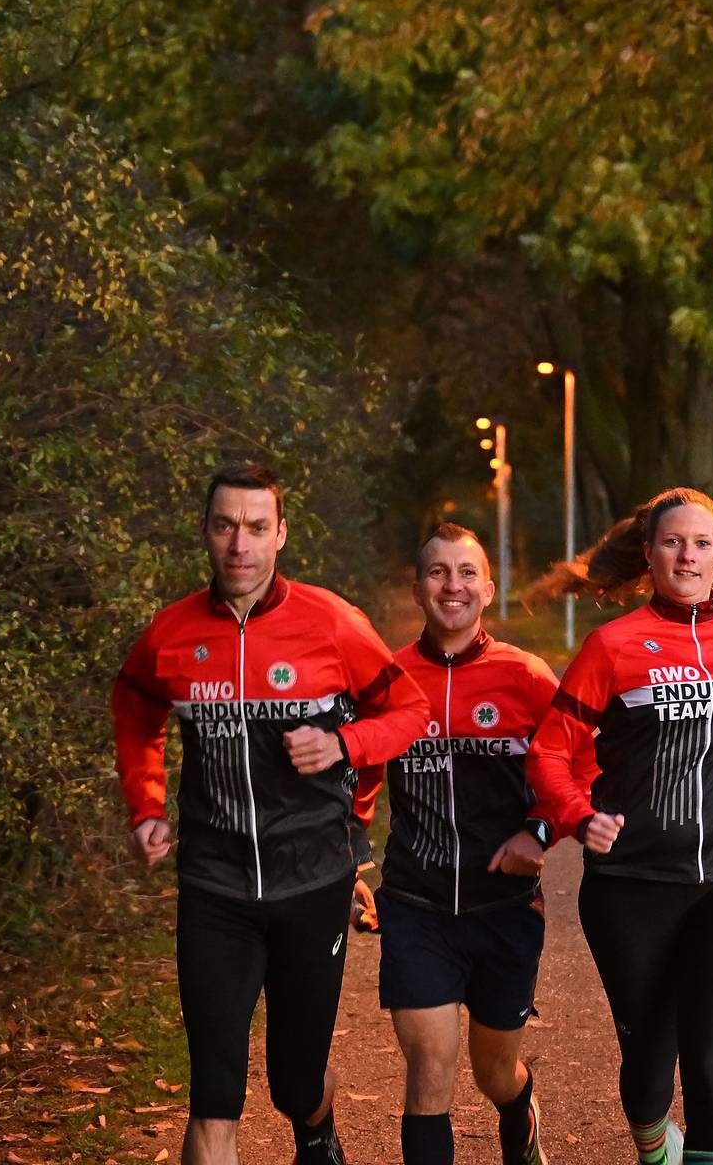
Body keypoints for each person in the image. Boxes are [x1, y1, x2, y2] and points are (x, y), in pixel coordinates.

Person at [110, 461, 433, 1165]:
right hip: (214, 885)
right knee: (214, 1094)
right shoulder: (172, 633)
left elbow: (408, 711)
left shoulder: (332, 622)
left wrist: (343, 743)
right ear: (204, 531)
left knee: (295, 1081)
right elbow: (134, 713)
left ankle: (315, 1131)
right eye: (226, 526)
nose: (240, 544)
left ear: (281, 533)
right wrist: (146, 807)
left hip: (312, 881)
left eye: (256, 527)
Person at [525, 488, 713, 1165]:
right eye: (673, 542)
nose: (688, 555)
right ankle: (656, 1144)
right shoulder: (612, 646)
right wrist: (579, 816)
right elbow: (547, 753)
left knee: (712, 1061)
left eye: (701, 543)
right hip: (631, 882)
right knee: (648, 1065)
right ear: (650, 553)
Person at [371, 523, 559, 1165]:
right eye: (438, 572)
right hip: (416, 906)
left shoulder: (525, 676)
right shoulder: (389, 678)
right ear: (417, 589)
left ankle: (519, 1105)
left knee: (493, 1071)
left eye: (466, 572)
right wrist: (350, 857)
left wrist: (539, 831)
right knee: (430, 1066)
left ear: (488, 589)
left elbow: (579, 767)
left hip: (504, 908)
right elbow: (355, 775)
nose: (453, 585)